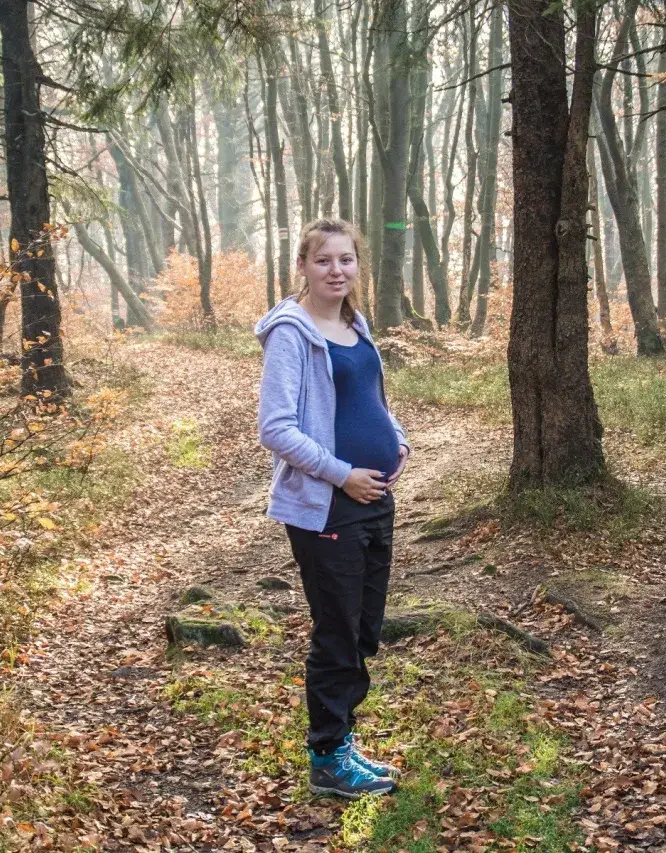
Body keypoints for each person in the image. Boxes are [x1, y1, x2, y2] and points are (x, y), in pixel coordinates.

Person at [254, 219, 410, 799]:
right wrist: (343, 475)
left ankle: (342, 740)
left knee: (365, 628)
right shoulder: (292, 333)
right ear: (304, 266)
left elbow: (374, 400)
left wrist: (399, 441)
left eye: (346, 260)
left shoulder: (355, 324)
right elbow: (275, 428)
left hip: (376, 499)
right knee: (338, 629)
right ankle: (326, 756)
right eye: (324, 261)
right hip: (326, 508)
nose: (337, 271)